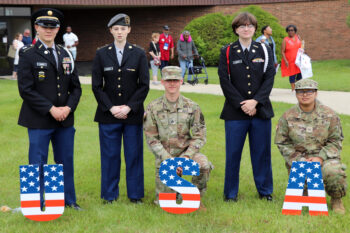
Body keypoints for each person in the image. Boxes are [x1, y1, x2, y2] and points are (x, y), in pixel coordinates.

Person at [17, 8, 82, 210]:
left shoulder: (65, 53)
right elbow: (26, 90)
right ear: (36, 28)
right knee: (37, 161)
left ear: (58, 29)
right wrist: (51, 109)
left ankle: (69, 201)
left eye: (52, 26)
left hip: (64, 119)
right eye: (44, 26)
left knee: (65, 161)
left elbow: (76, 88)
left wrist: (68, 109)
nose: (48, 30)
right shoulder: (27, 54)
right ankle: (36, 202)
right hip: (39, 119)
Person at [92, 13, 149, 204]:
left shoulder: (139, 53)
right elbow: (96, 86)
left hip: (131, 116)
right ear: (110, 31)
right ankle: (109, 196)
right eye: (116, 29)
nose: (119, 32)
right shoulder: (101, 53)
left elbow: (144, 85)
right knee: (110, 157)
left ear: (129, 30)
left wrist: (129, 107)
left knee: (133, 156)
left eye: (123, 29)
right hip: (108, 115)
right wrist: (111, 107)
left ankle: (135, 195)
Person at [218, 12, 275, 202]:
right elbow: (225, 81)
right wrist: (242, 104)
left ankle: (265, 191)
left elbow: (269, 77)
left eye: (250, 26)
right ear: (236, 29)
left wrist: (255, 102)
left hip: (261, 111)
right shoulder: (227, 51)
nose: (246, 28)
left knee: (262, 154)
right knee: (233, 155)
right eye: (242, 26)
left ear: (254, 29)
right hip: (235, 112)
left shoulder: (265, 49)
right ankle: (230, 194)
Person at [144, 66, 212, 210]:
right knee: (165, 204)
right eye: (169, 80)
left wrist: (186, 157)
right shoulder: (153, 108)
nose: (172, 84)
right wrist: (168, 159)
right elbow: (151, 139)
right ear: (162, 82)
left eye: (175, 80)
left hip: (187, 155)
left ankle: (195, 197)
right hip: (165, 158)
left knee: (203, 165)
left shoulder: (192, 107)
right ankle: (175, 191)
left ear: (181, 81)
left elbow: (200, 136)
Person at [275, 79, 347, 214]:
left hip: (325, 158)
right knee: (305, 194)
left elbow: (336, 141)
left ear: (316, 93)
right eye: (301, 91)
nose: (305, 94)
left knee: (334, 172)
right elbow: (282, 142)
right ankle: (306, 191)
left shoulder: (330, 114)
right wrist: (299, 159)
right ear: (296, 94)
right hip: (299, 159)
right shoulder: (287, 116)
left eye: (309, 91)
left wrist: (320, 157)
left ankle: (336, 199)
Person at [281, 24, 303, 91]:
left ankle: (297, 87)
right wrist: (285, 61)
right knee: (292, 74)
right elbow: (282, 51)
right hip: (290, 60)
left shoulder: (298, 38)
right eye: (288, 30)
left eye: (292, 30)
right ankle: (293, 89)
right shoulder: (285, 40)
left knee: (300, 74)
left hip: (298, 60)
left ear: (295, 31)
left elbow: (301, 47)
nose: (290, 31)